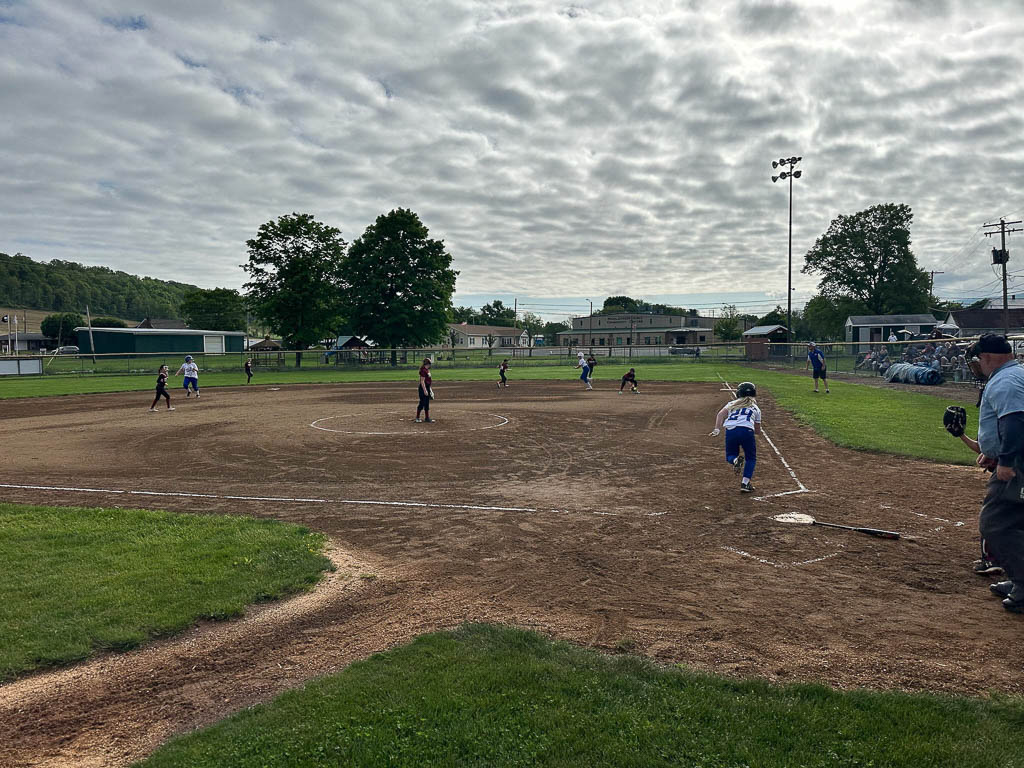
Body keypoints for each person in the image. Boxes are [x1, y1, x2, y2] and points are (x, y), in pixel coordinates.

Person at [967, 334, 1024, 611]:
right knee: (1016, 522)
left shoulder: (1005, 380)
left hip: (1017, 464)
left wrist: (1005, 461)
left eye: (979, 359)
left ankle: (1023, 584)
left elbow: (1014, 420)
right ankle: (1018, 579)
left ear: (988, 357)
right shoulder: (1014, 374)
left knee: (996, 524)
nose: (979, 364)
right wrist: (993, 451)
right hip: (1015, 459)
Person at [710, 381, 761, 493]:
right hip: (747, 431)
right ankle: (745, 483)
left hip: (731, 431)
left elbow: (720, 415)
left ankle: (735, 460)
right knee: (751, 458)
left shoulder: (732, 404)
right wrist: (755, 433)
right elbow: (757, 430)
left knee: (730, 455)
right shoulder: (756, 408)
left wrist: (717, 429)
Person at [416, 357, 434, 423]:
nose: (430, 365)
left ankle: (427, 418)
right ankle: (417, 418)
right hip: (423, 388)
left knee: (427, 403)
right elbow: (422, 381)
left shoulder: (427, 370)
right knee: (422, 402)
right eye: (430, 364)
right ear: (427, 364)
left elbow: (428, 381)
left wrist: (430, 389)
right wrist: (425, 390)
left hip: (427, 387)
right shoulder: (423, 370)